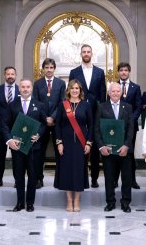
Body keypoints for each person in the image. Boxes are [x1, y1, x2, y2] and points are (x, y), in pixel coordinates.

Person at [2, 79, 47, 212]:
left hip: (34, 148)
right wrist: (9, 140)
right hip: (17, 147)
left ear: (31, 88)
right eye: (23, 87)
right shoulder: (11, 105)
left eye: (28, 87)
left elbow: (44, 124)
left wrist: (38, 135)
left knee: (33, 176)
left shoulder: (39, 105)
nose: (25, 89)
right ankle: (20, 202)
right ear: (19, 89)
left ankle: (30, 203)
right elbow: (4, 125)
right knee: (18, 175)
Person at [69, 44, 106, 188]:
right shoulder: (74, 72)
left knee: (95, 147)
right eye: (84, 52)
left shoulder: (99, 72)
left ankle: (95, 178)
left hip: (96, 113)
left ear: (92, 53)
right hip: (79, 113)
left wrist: (103, 112)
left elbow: (103, 94)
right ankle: (81, 177)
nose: (86, 54)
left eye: (88, 51)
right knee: (80, 147)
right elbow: (71, 91)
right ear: (80, 54)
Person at [94, 83, 134, 213]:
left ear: (121, 93)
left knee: (126, 178)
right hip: (108, 150)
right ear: (109, 93)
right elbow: (97, 129)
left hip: (124, 150)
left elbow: (131, 129)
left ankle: (125, 203)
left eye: (118, 91)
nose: (115, 93)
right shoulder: (101, 107)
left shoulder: (128, 107)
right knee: (109, 178)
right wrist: (101, 147)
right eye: (113, 91)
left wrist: (126, 145)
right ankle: (110, 202)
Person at [54, 79, 93, 212]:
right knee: (67, 172)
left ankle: (77, 201)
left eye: (77, 88)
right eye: (72, 88)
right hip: (66, 144)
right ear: (68, 90)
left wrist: (88, 142)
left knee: (78, 172)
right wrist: (59, 142)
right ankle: (69, 201)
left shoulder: (86, 105)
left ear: (80, 90)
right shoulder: (62, 105)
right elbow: (57, 125)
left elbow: (91, 125)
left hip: (81, 145)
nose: (75, 90)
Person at [33, 58, 66, 189]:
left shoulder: (60, 83)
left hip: (57, 122)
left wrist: (53, 117)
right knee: (39, 152)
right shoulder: (37, 84)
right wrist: (45, 118)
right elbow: (35, 102)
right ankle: (38, 179)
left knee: (60, 152)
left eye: (51, 67)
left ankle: (60, 180)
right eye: (46, 67)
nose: (49, 70)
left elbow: (62, 102)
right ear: (43, 69)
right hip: (41, 123)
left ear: (54, 69)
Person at [0, 66, 20, 188]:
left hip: (17, 127)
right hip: (2, 127)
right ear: (4, 75)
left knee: (16, 155)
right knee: (1, 154)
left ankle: (17, 180)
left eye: (12, 74)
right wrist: (3, 119)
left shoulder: (21, 90)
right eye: (8, 74)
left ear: (15, 75)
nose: (10, 76)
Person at [117, 62, 142, 189]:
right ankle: (115, 180)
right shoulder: (114, 87)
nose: (123, 72)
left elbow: (138, 107)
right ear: (118, 72)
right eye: (121, 70)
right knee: (115, 152)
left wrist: (132, 120)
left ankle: (132, 180)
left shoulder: (135, 88)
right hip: (117, 126)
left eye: (126, 70)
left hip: (131, 126)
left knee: (130, 153)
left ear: (129, 72)